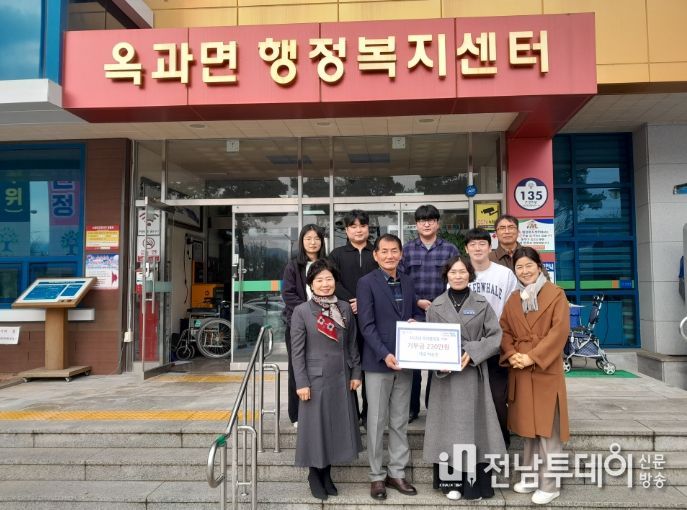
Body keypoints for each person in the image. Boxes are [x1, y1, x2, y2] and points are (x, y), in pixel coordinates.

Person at [423, 255, 506, 501]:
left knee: (474, 428)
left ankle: (475, 485)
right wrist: (440, 361)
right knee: (448, 429)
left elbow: (495, 337)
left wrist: (472, 351)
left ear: (470, 274)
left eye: (462, 272)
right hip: (446, 379)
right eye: (453, 272)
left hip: (473, 375)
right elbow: (430, 342)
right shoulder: (436, 306)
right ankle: (451, 482)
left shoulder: (481, 302)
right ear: (446, 276)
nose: (458, 276)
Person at [499, 246, 570, 506]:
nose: (525, 271)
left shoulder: (555, 294)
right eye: (519, 267)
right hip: (520, 368)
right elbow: (504, 330)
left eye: (529, 265)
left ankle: (550, 484)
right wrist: (512, 354)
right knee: (527, 428)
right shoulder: (514, 298)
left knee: (548, 429)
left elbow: (559, 332)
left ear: (539, 267)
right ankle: (530, 476)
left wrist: (532, 357)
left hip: (544, 368)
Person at [290, 258, 362, 500]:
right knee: (316, 429)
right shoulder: (302, 311)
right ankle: (314, 474)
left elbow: (352, 344)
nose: (325, 284)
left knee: (334, 428)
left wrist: (356, 372)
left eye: (329, 279)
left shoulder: (344, 308)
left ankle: (327, 473)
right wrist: (301, 382)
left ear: (335, 281)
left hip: (341, 377)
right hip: (315, 380)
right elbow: (297, 352)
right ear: (311, 284)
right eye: (319, 280)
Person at [357, 233, 420, 501]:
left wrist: (417, 321)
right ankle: (376, 476)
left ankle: (396, 472)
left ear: (401, 254)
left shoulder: (407, 281)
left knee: (399, 420)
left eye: (394, 251)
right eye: (384, 251)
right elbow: (366, 325)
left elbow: (414, 313)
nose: (389, 255)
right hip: (378, 362)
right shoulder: (366, 283)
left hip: (406, 362)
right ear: (375, 255)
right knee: (376, 421)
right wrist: (385, 354)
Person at [398, 204, 459, 423]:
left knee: (438, 362)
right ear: (416, 225)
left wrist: (440, 304)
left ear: (437, 223)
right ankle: (411, 408)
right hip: (413, 311)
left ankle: (434, 406)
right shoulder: (407, 250)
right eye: (422, 220)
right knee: (411, 364)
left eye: (431, 220)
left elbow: (456, 278)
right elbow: (400, 280)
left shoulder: (450, 249)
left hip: (442, 312)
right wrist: (416, 301)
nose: (426, 224)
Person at [464, 227, 518, 447]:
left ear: (489, 247)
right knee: (472, 399)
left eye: (482, 244)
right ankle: (477, 444)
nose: (477, 248)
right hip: (469, 346)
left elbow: (513, 308)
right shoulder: (460, 273)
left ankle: (501, 443)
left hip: (497, 344)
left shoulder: (504, 274)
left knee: (497, 397)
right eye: (473, 244)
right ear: (466, 249)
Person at [329, 209, 378, 423]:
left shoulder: (377, 252)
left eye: (362, 226)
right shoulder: (336, 254)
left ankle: (369, 414)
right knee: (348, 364)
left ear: (368, 228)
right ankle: (351, 414)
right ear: (347, 230)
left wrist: (365, 302)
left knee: (371, 367)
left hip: (373, 318)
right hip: (345, 318)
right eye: (353, 226)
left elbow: (383, 279)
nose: (358, 230)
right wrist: (352, 301)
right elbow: (332, 281)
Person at [281, 224, 327, 426]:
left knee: (321, 369)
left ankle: (319, 410)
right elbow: (288, 294)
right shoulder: (293, 266)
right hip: (298, 325)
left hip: (324, 324)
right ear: (301, 241)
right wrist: (309, 312)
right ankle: (297, 414)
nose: (312, 242)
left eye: (316, 238)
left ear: (322, 242)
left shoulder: (327, 264)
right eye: (308, 238)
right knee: (297, 369)